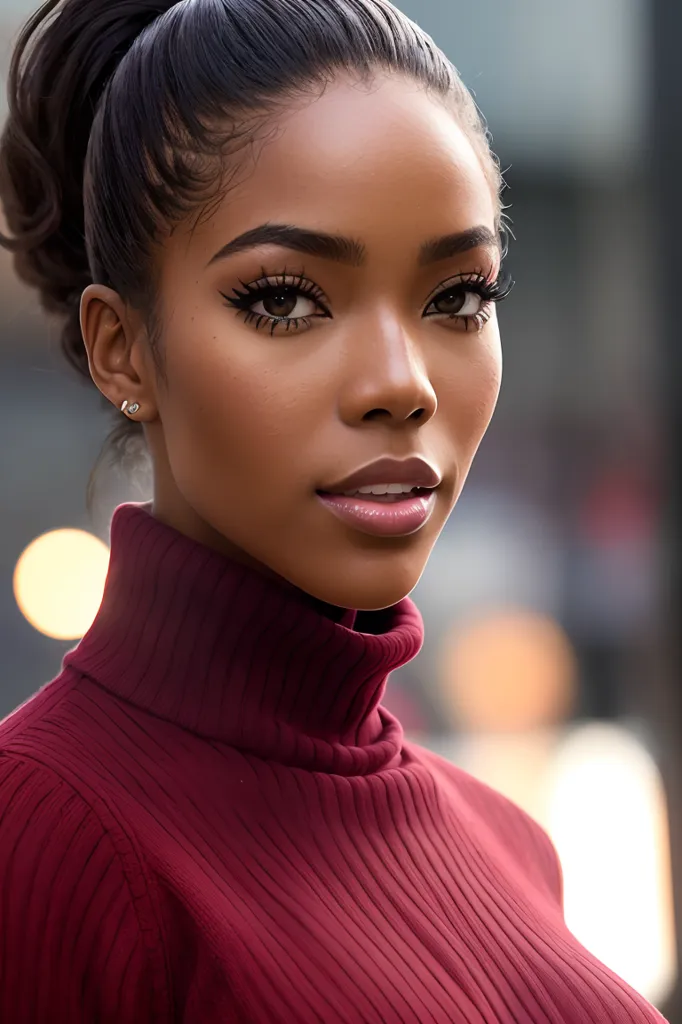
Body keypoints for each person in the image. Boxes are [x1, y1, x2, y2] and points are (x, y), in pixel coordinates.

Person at [0, 1, 668, 1021]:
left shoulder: (510, 842)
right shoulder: (43, 837)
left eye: (457, 299)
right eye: (283, 299)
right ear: (122, 347)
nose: (401, 385)